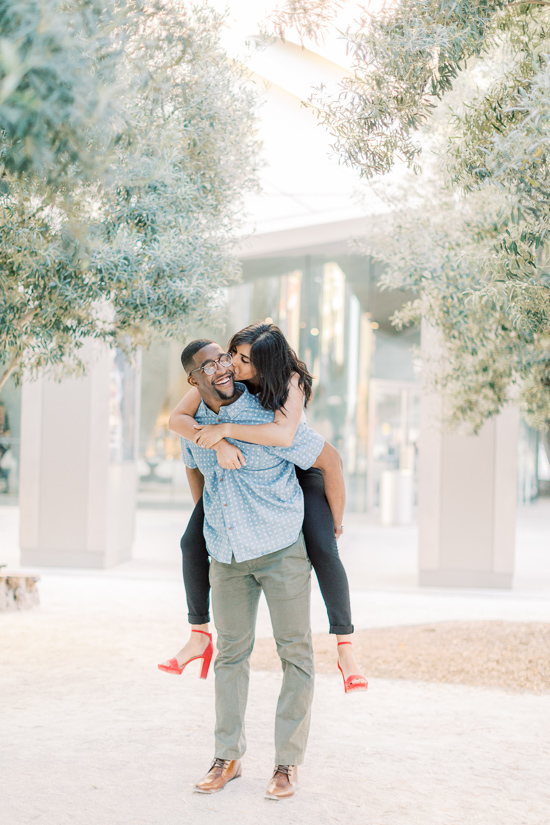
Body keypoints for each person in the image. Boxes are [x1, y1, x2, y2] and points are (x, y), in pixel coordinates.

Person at [173, 339, 340, 799]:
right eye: (208, 366)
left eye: (223, 359)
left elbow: (327, 459)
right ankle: (227, 757)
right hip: (225, 556)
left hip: (281, 550)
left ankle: (287, 763)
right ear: (195, 380)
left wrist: (334, 528)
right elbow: (194, 470)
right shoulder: (192, 427)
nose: (221, 368)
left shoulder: (270, 413)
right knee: (230, 656)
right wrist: (210, 519)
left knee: (295, 655)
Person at [160, 323, 367, 693]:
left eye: (241, 360)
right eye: (231, 355)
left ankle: (346, 648)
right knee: (191, 542)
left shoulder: (289, 382)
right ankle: (198, 635)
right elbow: (178, 421)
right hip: (248, 471)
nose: (230, 366)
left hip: (301, 469)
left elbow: (290, 438)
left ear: (264, 363)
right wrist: (213, 493)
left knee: (324, 547)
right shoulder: (221, 381)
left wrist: (337, 520)